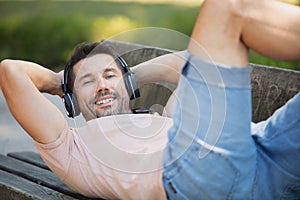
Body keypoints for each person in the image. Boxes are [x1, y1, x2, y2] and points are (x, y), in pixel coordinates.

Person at [0, 0, 300, 199]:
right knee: (226, 7)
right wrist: (60, 82)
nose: (101, 85)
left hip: (261, 152)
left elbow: (193, 63)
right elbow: (10, 71)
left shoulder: (165, 119)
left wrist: (130, 77)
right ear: (72, 97)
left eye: (109, 76)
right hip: (196, 178)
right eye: (88, 82)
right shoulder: (69, 145)